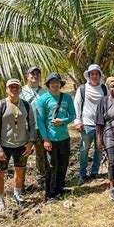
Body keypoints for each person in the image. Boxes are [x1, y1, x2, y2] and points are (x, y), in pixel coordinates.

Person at [0, 79, 35, 212]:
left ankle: (17, 194)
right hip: (4, 146)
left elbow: (32, 124)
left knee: (20, 170)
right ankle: (0, 200)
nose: (14, 89)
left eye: (17, 87)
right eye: (11, 87)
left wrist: (31, 141)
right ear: (7, 89)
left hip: (22, 144)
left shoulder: (26, 105)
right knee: (0, 173)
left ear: (20, 89)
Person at [36, 73, 76, 203]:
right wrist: (45, 139)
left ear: (60, 84)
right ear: (48, 84)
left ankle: (60, 189)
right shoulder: (42, 100)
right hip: (51, 139)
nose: (55, 85)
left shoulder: (67, 98)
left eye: (57, 82)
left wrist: (63, 121)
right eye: (52, 82)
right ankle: (50, 194)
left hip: (64, 137)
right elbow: (40, 121)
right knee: (51, 166)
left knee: (63, 164)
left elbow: (73, 115)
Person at [74, 64, 107, 185]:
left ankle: (94, 172)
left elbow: (107, 105)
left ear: (99, 75)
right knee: (84, 149)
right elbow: (77, 104)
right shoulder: (82, 88)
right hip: (86, 124)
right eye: (92, 74)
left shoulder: (104, 88)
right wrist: (78, 121)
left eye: (96, 74)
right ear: (89, 75)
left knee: (99, 149)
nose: (94, 76)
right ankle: (82, 174)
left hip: (100, 125)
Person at [20, 67, 47, 184]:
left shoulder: (44, 93)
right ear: (27, 76)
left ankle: (42, 179)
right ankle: (20, 184)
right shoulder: (21, 91)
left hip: (41, 129)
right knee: (23, 156)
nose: (35, 76)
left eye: (37, 74)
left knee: (41, 155)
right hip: (26, 129)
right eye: (32, 74)